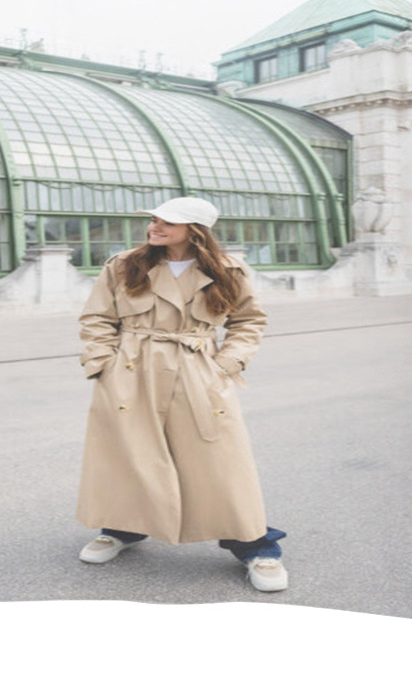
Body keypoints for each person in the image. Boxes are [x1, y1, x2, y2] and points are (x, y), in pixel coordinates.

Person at [75, 197, 287, 592]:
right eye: (153, 220)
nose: (154, 227)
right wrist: (103, 364)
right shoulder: (124, 266)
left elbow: (248, 320)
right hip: (131, 371)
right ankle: (121, 528)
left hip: (197, 371)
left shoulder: (227, 271)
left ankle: (255, 545)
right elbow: (97, 317)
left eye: (165, 222)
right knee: (128, 454)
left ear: (194, 230)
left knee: (220, 462)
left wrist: (227, 365)